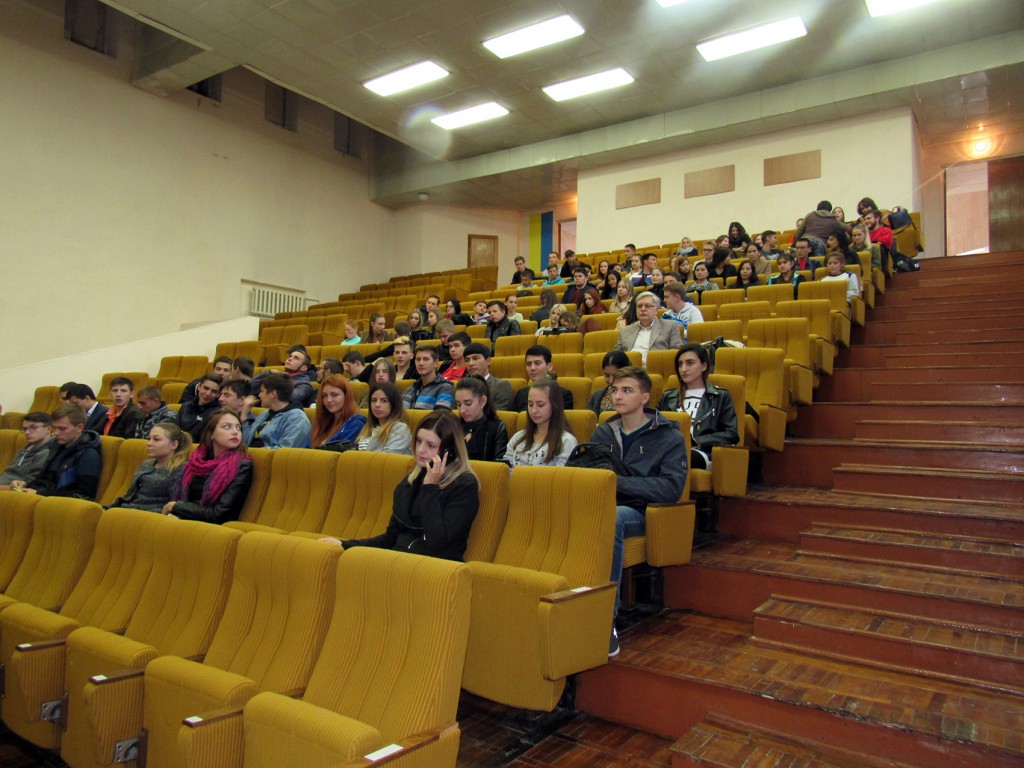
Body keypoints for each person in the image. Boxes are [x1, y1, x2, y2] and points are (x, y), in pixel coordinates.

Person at [591, 367, 687, 655]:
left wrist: (618, 483)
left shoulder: (668, 436)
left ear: (645, 398)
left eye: (627, 390)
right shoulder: (603, 431)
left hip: (644, 512)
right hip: (604, 506)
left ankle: (605, 618)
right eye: (615, 390)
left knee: (615, 518)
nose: (617, 396)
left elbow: (670, 489)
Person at [330, 411, 479, 561]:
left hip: (435, 568)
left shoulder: (464, 486)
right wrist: (344, 545)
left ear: (450, 452)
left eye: (431, 445)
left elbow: (437, 542)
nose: (420, 450)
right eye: (418, 441)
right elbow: (390, 539)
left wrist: (430, 488)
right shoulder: (410, 482)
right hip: (399, 561)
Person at [163, 410, 252, 524]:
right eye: (227, 427)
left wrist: (176, 507)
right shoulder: (196, 461)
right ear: (211, 434)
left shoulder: (242, 465)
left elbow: (218, 514)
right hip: (187, 518)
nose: (235, 432)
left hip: (215, 526)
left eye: (238, 428)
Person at [657, 345, 739, 469]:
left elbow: (731, 434)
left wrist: (695, 440)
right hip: (669, 449)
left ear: (704, 366)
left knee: (676, 457)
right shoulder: (668, 397)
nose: (683, 369)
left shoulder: (720, 396)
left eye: (690, 363)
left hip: (703, 452)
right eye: (680, 364)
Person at [22, 405, 103, 499]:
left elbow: (83, 495)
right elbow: (44, 480)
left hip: (59, 503)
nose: (56, 433)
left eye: (62, 429)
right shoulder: (56, 447)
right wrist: (25, 485)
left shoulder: (89, 454)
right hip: (43, 497)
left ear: (79, 427)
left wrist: (39, 493)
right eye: (54, 428)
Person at [106, 423, 191, 511]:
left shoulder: (180, 469)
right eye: (149, 439)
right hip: (127, 508)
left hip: (150, 514)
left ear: (174, 445)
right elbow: (129, 496)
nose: (149, 443)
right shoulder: (146, 464)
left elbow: (174, 505)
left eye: (156, 439)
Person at [504, 379, 578, 467]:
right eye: (530, 405)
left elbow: (561, 474)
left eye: (540, 405)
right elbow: (505, 468)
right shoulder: (518, 437)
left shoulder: (566, 441)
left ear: (554, 405)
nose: (534, 411)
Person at [613, 291, 683, 365]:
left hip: (656, 367)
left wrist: (649, 363)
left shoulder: (670, 326)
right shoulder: (625, 331)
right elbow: (615, 355)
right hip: (629, 369)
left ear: (656, 310)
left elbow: (676, 352)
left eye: (647, 306)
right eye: (640, 306)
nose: (643, 309)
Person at [243, 373, 311, 449]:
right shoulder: (264, 415)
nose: (259, 395)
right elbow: (244, 443)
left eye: (262, 391)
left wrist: (254, 453)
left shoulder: (297, 418)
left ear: (273, 394)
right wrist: (244, 412)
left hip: (266, 456)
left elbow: (284, 451)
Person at [455, 376, 508, 462]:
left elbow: (498, 465)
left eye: (468, 403)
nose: (462, 410)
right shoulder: (454, 426)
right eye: (458, 404)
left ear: (483, 401)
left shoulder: (497, 428)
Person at [308, 374, 366, 450]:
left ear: (346, 396)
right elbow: (304, 449)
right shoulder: (320, 422)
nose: (328, 400)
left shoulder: (356, 423)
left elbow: (338, 451)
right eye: (324, 396)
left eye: (334, 395)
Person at [511, 345, 574, 412]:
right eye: (529, 364)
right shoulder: (521, 394)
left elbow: (560, 418)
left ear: (549, 366)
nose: (532, 368)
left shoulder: (563, 395)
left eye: (537, 363)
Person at [0, 412, 52, 490]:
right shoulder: (26, 449)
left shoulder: (47, 452)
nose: (27, 432)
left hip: (12, 490)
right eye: (24, 429)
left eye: (33, 428)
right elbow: (7, 474)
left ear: (48, 429)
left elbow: (29, 484)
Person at [357, 382, 412, 454]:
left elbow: (387, 459)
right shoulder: (368, 428)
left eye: (384, 401)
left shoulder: (400, 429)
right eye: (374, 400)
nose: (377, 405)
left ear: (393, 404)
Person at [249, 349, 315, 407]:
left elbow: (287, 399)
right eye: (290, 356)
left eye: (296, 358)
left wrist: (261, 398)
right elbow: (249, 388)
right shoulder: (277, 376)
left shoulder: (304, 384)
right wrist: (268, 373)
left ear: (303, 368)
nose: (289, 359)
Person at [463, 342, 514, 411]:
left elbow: (498, 414)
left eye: (475, 358)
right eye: (467, 360)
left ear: (488, 361)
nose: (470, 363)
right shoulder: (462, 386)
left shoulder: (501, 386)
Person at [403, 345, 455, 410]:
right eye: (418, 359)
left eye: (426, 359)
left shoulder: (446, 388)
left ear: (436, 363)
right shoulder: (409, 390)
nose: (421, 363)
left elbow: (441, 415)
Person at [177, 374, 223, 441]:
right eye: (206, 388)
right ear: (199, 387)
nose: (208, 394)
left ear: (218, 394)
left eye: (214, 391)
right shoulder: (185, 406)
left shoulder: (217, 414)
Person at [587, 350, 632, 416]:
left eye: (616, 375)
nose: (611, 381)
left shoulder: (636, 395)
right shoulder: (596, 396)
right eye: (607, 375)